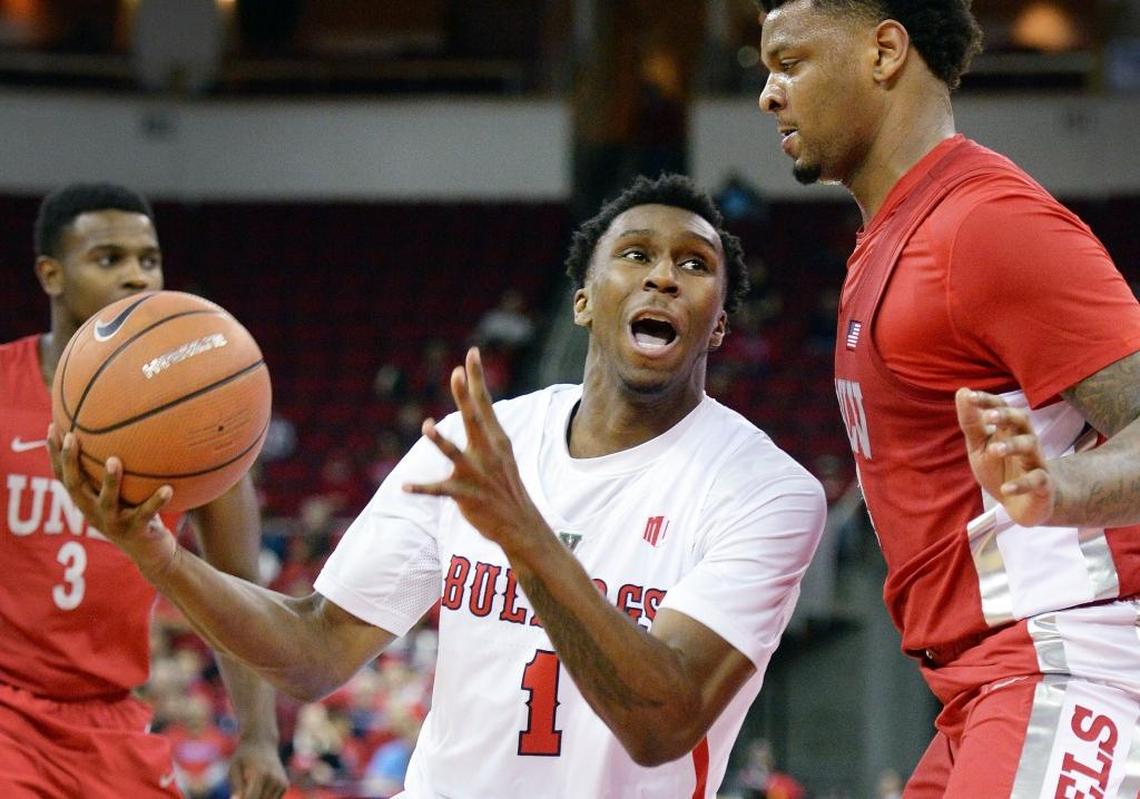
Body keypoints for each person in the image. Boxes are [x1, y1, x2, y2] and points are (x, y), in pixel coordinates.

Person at [50, 173, 827, 798]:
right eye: (636, 254)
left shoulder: (766, 492)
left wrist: (525, 535)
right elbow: (316, 649)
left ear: (719, 322)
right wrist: (163, 558)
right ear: (584, 301)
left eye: (694, 265)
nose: (663, 273)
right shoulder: (472, 439)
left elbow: (663, 723)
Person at [755, 1, 1140, 796]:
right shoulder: (891, 237)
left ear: (885, 51)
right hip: (976, 688)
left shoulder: (984, 223)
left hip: (1068, 662)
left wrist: (1060, 486)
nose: (768, 93)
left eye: (789, 63)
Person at [0, 183, 288, 798]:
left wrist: (259, 735)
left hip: (113, 715)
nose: (136, 276)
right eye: (109, 259)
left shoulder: (203, 418)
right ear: (52, 275)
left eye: (148, 260)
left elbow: (237, 592)